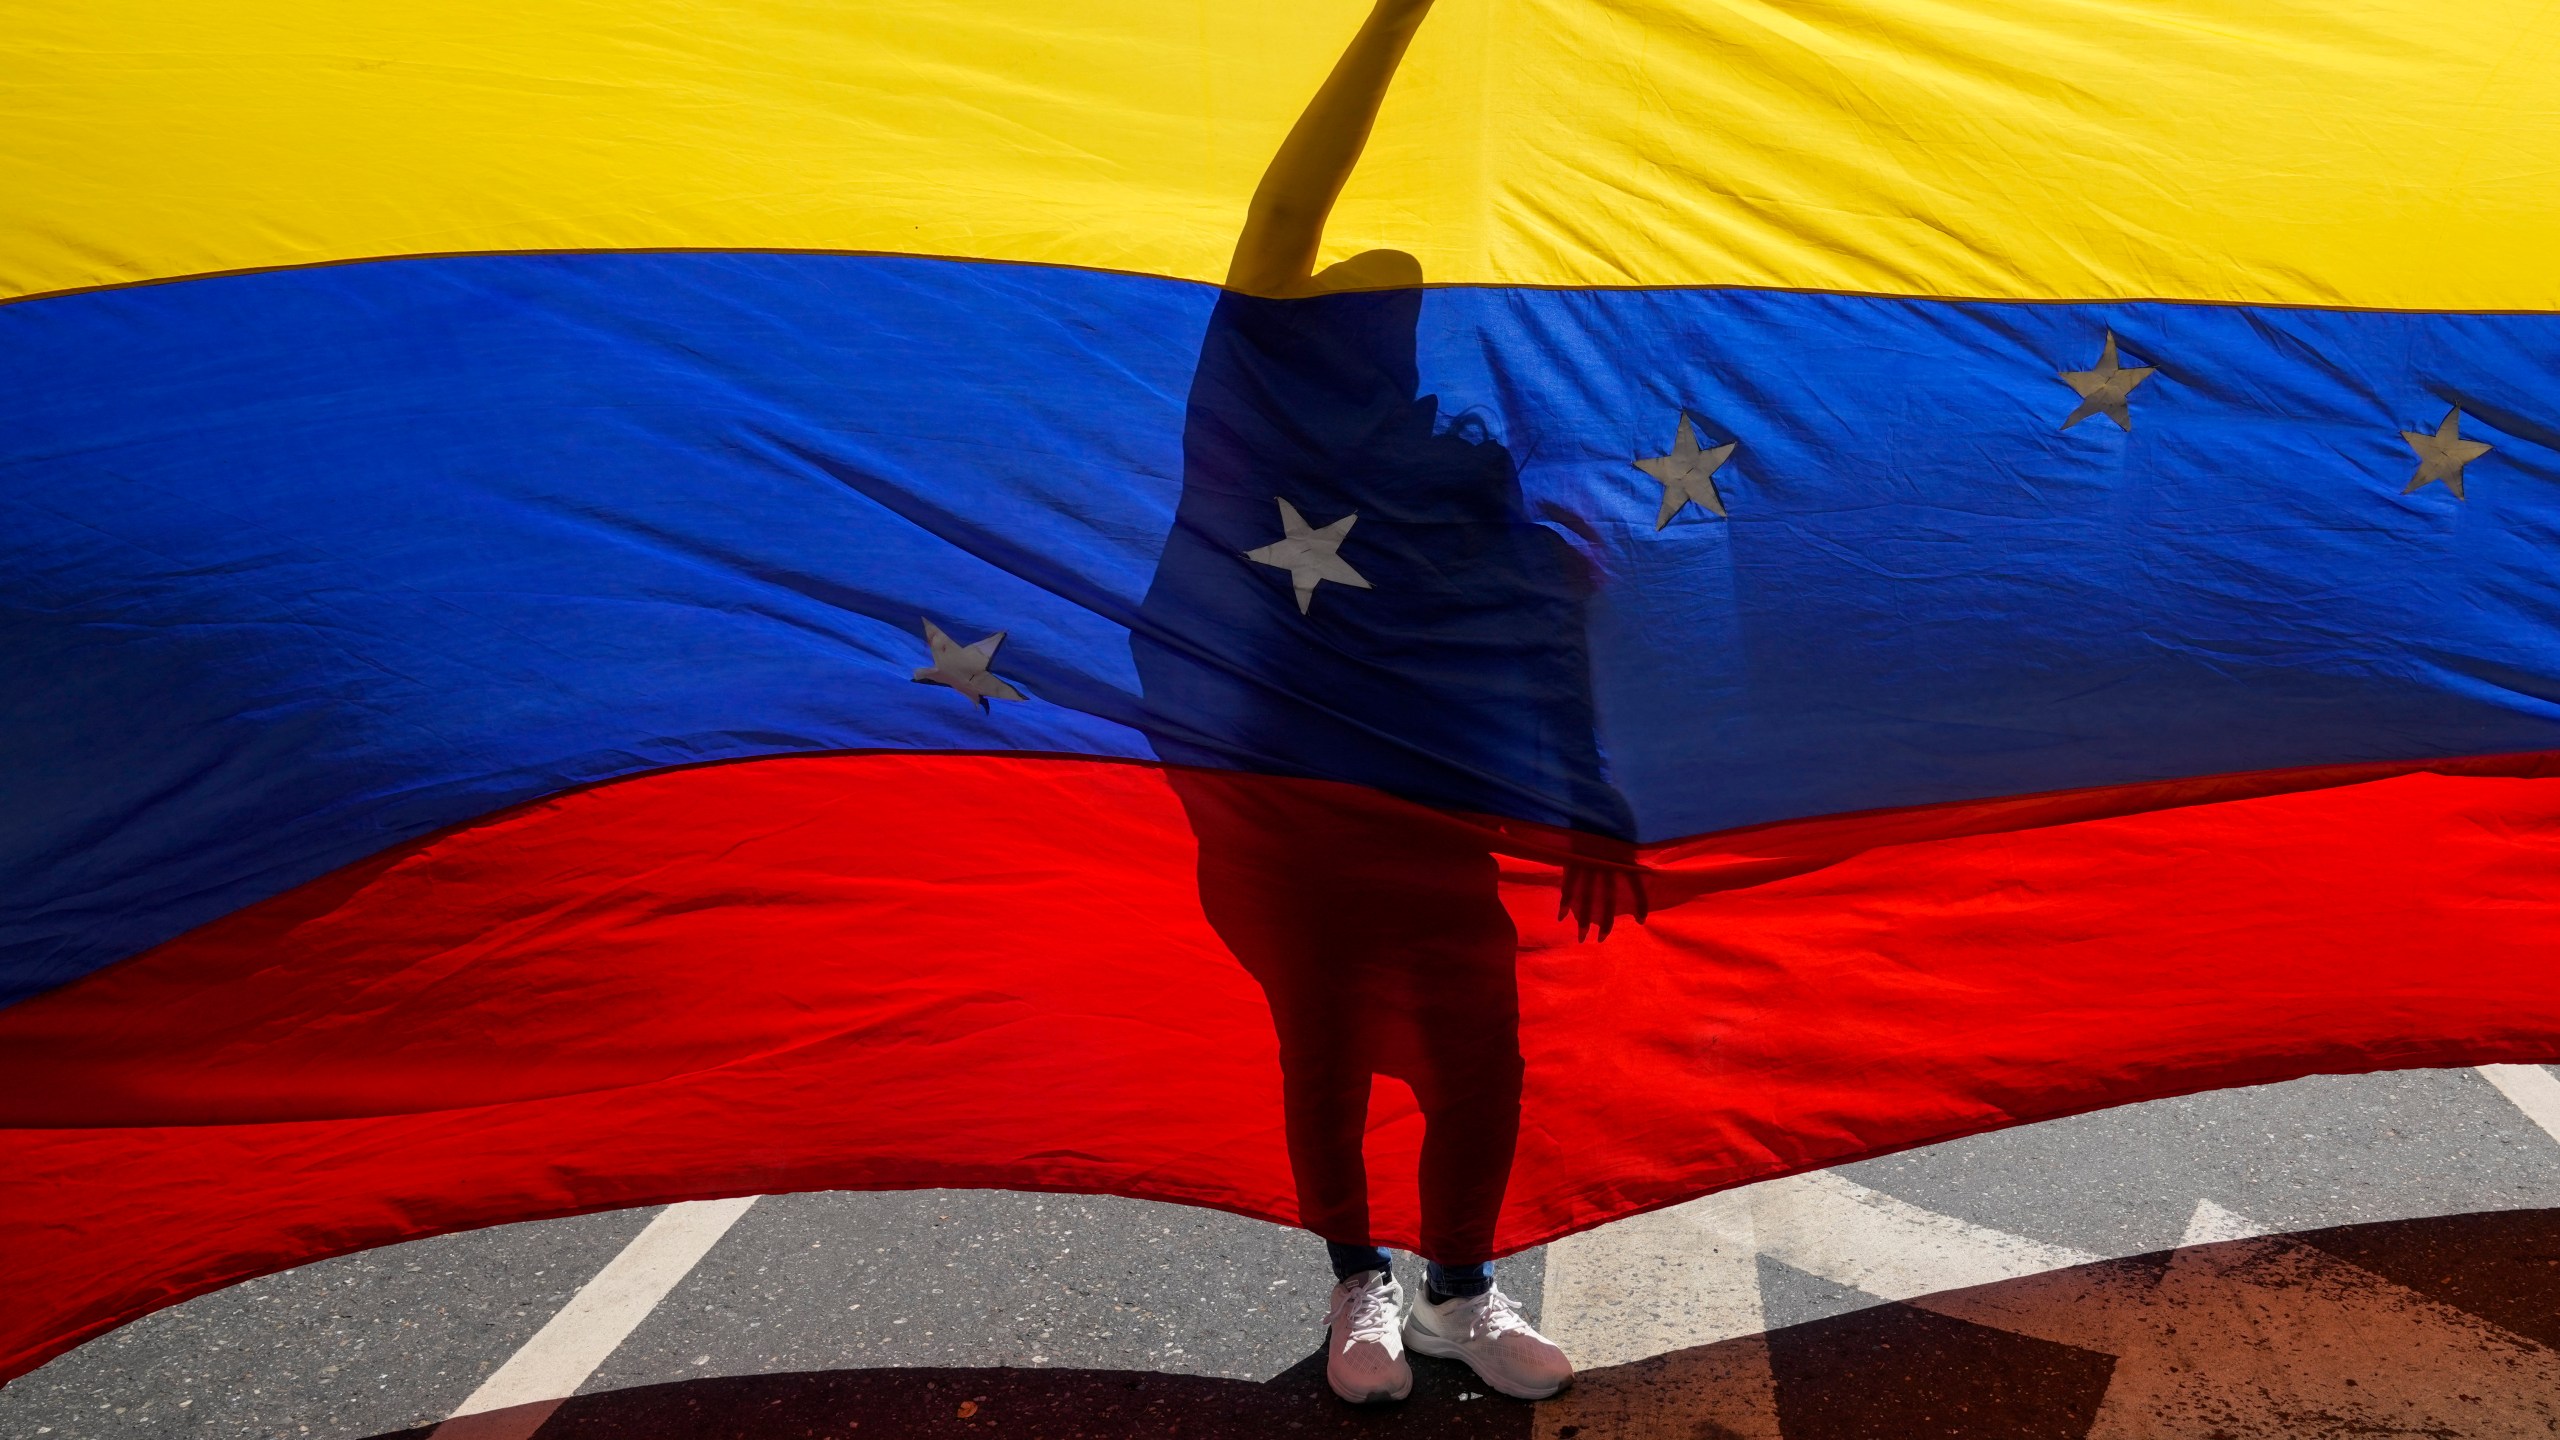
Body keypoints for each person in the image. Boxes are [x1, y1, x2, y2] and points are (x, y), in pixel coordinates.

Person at [1129, 0, 1643, 1405]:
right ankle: (1360, 1278)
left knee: (1484, 1060)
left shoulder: (1455, 477)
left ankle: (1460, 1293)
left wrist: (1590, 793)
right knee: (1330, 1047)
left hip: (1424, 811)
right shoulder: (1252, 405)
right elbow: (1290, 202)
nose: (1373, 303)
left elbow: (1534, 643)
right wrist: (1399, 17)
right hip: (1278, 804)